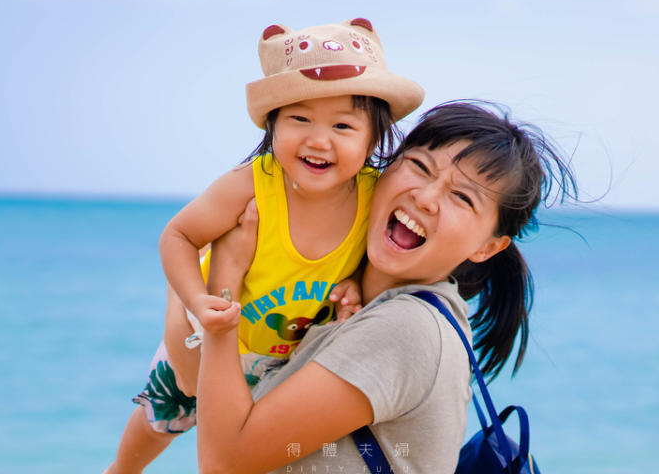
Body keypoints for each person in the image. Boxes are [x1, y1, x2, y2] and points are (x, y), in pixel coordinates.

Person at [104, 19, 424, 473]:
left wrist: (352, 281)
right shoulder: (253, 186)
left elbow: (374, 259)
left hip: (283, 363)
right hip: (207, 337)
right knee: (164, 414)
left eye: (342, 125)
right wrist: (197, 300)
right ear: (271, 124)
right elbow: (177, 236)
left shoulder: (375, 197)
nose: (319, 139)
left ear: (373, 138)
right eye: (300, 119)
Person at [195, 101, 577, 473]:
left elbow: (223, 462)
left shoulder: (406, 328)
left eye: (462, 197)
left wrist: (225, 281)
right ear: (384, 167)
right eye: (420, 166)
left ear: (488, 247)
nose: (426, 199)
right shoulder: (348, 303)